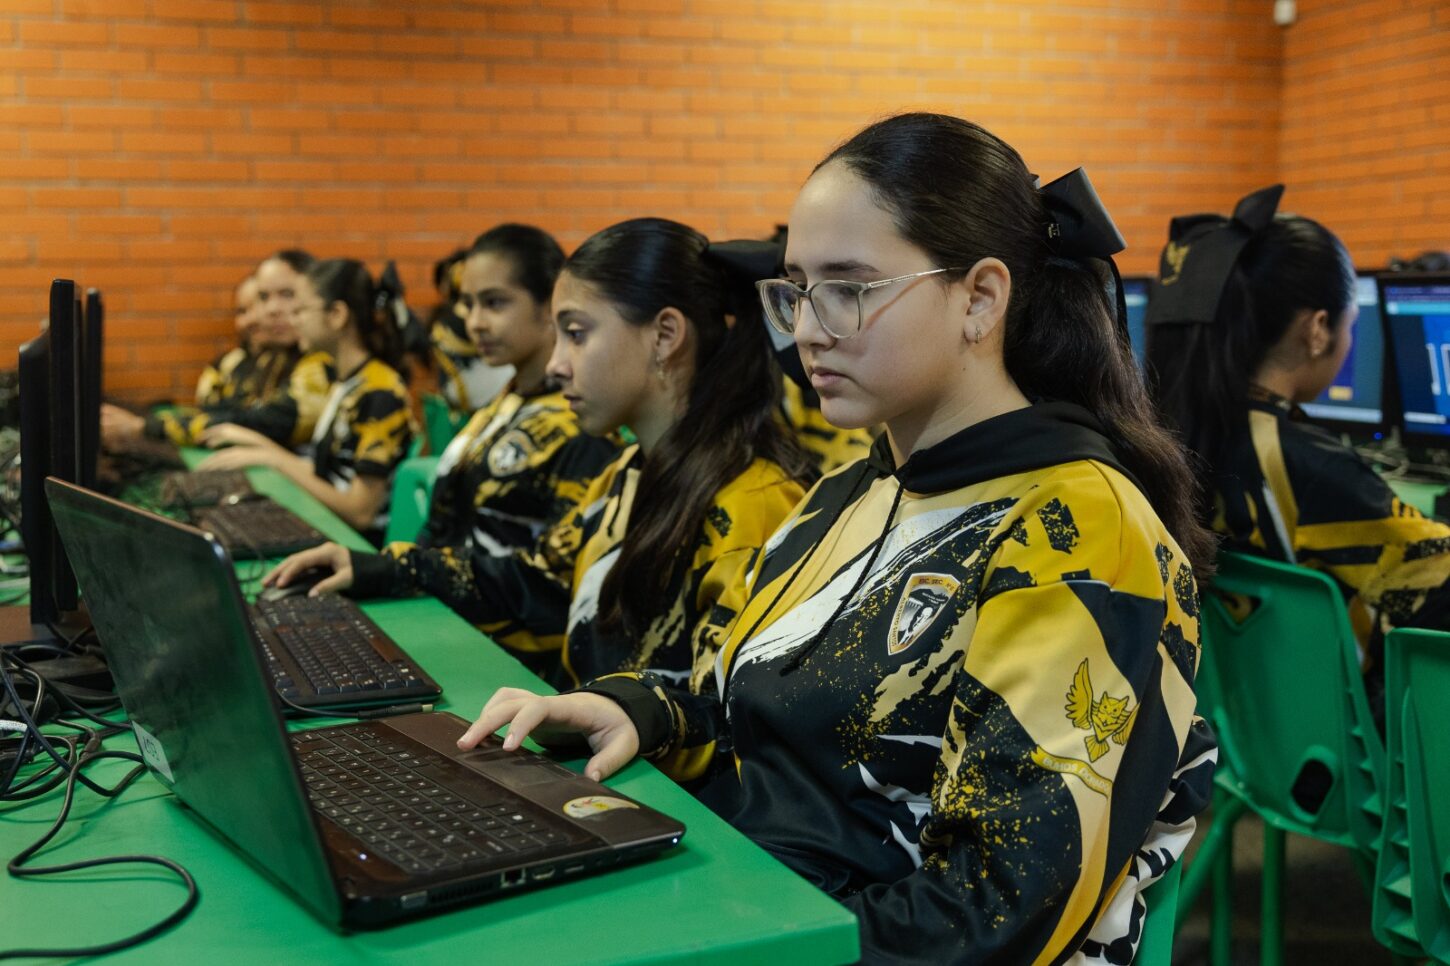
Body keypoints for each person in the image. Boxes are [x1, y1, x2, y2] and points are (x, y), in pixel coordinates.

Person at [460, 114, 1218, 964]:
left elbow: (995, 909)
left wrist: (743, 945)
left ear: (979, 299)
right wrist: (637, 710)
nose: (808, 329)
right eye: (796, 290)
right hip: (754, 899)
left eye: (848, 289)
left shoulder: (1076, 530)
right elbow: (753, 709)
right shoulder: (854, 489)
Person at [266, 218, 813, 692]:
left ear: (665, 335)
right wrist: (383, 567)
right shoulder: (627, 473)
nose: (556, 364)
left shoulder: (753, 503)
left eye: (576, 334)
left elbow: (727, 713)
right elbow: (537, 581)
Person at [1145, 185, 1450, 706]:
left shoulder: (1169, 436)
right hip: (1351, 735)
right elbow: (1436, 579)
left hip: (1246, 727)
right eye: (1351, 326)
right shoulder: (1309, 468)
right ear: (1318, 329)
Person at [198, 258, 414, 545]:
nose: (293, 320)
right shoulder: (345, 382)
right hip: (329, 528)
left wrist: (274, 459)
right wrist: (259, 446)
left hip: (356, 544)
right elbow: (325, 474)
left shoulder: (379, 392)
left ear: (336, 315)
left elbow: (360, 512)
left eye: (300, 310)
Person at [100, 249, 333, 453]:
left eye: (287, 294)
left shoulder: (324, 361)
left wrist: (148, 427)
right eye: (263, 297)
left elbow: (267, 424)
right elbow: (227, 411)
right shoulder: (272, 357)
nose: (271, 309)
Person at [194, 274, 298, 410]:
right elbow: (205, 409)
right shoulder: (224, 364)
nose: (251, 319)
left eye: (256, 307)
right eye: (241, 311)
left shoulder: (295, 362)